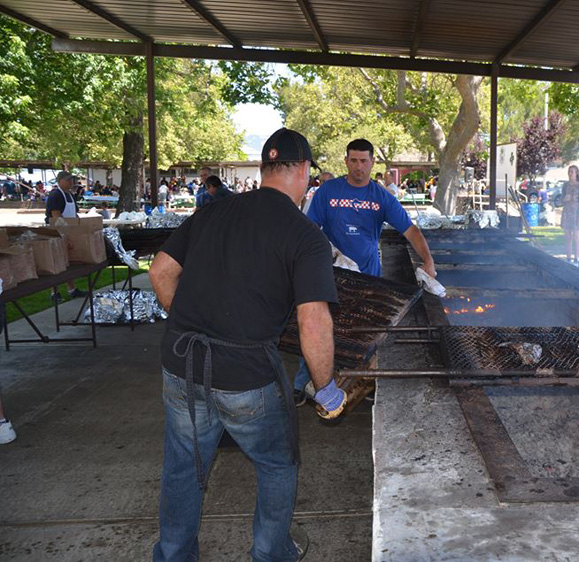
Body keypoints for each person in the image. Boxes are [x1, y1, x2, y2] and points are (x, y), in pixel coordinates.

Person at [149, 127, 343, 561]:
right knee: (277, 465)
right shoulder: (305, 235)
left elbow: (160, 272)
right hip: (246, 377)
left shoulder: (213, 211)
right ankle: (272, 553)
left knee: (184, 467)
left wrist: (189, 322)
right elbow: (313, 321)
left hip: (181, 365)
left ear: (264, 168)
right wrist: (325, 387)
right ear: (306, 172)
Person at [294, 138, 437, 402]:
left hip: (368, 277)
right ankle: (303, 381)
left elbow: (410, 230)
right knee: (319, 326)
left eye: (364, 161)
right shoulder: (328, 191)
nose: (358, 167)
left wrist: (427, 260)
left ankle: (363, 383)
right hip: (332, 273)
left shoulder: (381, 196)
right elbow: (310, 229)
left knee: (364, 332)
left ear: (372, 163)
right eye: (353, 160)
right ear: (346, 161)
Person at [45, 171, 86, 300]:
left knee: (68, 263)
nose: (71, 182)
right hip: (57, 233)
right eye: (68, 180)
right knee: (56, 264)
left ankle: (72, 289)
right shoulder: (56, 195)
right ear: (60, 181)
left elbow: (74, 214)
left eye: (72, 180)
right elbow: (56, 216)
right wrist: (66, 233)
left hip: (70, 231)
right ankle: (54, 292)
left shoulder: (70, 195)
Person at [561, 165, 579, 263]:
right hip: (567, 212)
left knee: (576, 236)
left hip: (576, 212)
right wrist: (565, 199)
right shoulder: (565, 185)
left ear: (576, 173)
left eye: (572, 172)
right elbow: (560, 200)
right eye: (569, 171)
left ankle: (576, 257)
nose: (570, 174)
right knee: (568, 237)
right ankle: (568, 257)